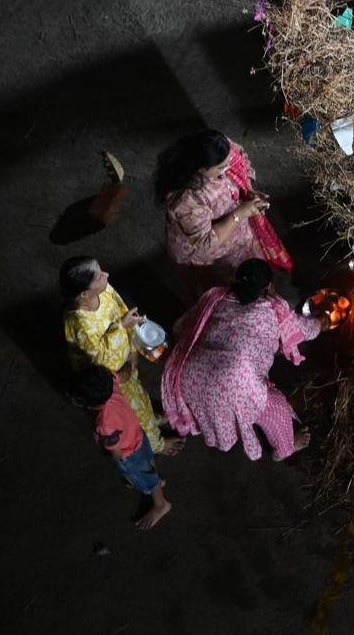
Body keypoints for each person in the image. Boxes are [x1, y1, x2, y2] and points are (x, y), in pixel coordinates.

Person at [161, 259, 325, 461]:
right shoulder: (275, 313)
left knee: (237, 380)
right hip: (233, 385)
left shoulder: (216, 298)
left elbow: (181, 326)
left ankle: (175, 414)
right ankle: (284, 450)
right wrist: (323, 321)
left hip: (190, 376)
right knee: (278, 408)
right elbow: (306, 330)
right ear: (269, 288)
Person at [60, 256, 182, 456]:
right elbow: (99, 359)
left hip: (126, 367)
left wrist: (132, 349)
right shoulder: (79, 323)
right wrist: (121, 328)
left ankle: (153, 418)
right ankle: (156, 444)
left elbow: (123, 312)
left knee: (140, 396)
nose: (106, 275)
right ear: (84, 294)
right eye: (99, 276)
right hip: (113, 383)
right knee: (133, 417)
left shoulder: (104, 290)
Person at [155, 129, 292, 299]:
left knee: (246, 269)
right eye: (221, 167)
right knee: (209, 289)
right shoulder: (187, 199)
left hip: (237, 234)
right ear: (202, 169)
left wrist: (248, 190)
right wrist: (240, 213)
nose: (228, 168)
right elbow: (206, 242)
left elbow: (242, 162)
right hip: (202, 251)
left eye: (228, 162)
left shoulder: (222, 148)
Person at [71, 366, 172, 529]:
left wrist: (117, 460)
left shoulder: (104, 424)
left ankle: (161, 504)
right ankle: (157, 479)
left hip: (129, 453)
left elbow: (117, 454)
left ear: (89, 405)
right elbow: (125, 374)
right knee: (148, 460)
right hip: (138, 434)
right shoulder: (110, 381)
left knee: (144, 478)